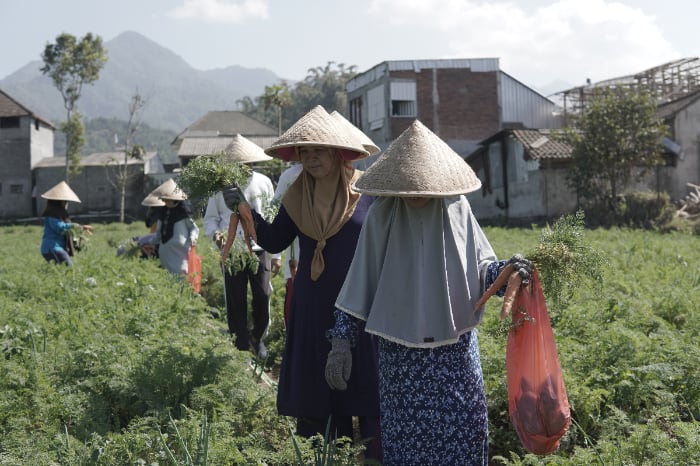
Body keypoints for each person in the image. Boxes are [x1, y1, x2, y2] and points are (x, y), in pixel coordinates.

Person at [324, 120, 532, 465]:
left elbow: (483, 272)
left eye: (425, 186)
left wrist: (511, 270)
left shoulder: (457, 210)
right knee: (407, 443)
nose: (417, 193)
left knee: (463, 433)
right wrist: (341, 341)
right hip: (400, 355)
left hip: (455, 351)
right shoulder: (381, 216)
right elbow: (361, 279)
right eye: (409, 186)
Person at [230, 106, 383, 461]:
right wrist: (243, 209)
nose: (311, 158)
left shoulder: (366, 192)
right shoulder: (297, 196)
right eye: (305, 152)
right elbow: (273, 241)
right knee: (321, 393)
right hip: (314, 305)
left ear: (337, 152)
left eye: (319, 150)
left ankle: (376, 456)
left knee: (368, 387)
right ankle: (329, 454)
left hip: (362, 305)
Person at [203, 134, 279, 359]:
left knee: (263, 295)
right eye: (238, 164)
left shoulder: (264, 182)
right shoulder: (220, 188)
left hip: (260, 247)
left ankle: (258, 338)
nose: (244, 167)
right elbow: (210, 219)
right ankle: (241, 347)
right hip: (233, 250)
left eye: (247, 163)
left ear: (253, 162)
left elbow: (272, 217)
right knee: (236, 300)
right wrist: (217, 236)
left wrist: (276, 255)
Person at [144, 179, 199, 275]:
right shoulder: (163, 211)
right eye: (164, 199)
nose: (165, 201)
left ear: (174, 199)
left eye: (167, 199)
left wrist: (193, 238)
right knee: (168, 276)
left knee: (182, 274)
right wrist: (149, 243)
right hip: (165, 251)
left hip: (180, 252)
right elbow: (158, 234)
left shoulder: (183, 211)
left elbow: (194, 228)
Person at [271, 162, 302, 327]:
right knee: (295, 313)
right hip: (296, 257)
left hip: (331, 259)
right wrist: (276, 256)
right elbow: (275, 213)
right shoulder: (290, 176)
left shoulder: (340, 173)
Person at [39, 181, 92, 266]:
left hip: (57, 248)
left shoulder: (58, 215)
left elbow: (67, 229)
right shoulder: (52, 215)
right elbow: (60, 228)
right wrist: (75, 226)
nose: (66, 204)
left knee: (60, 271)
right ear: (57, 202)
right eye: (65, 201)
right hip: (52, 248)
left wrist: (81, 229)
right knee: (69, 268)